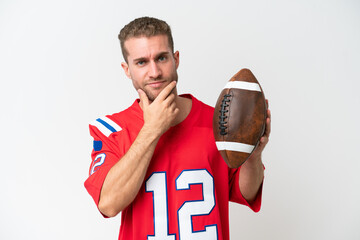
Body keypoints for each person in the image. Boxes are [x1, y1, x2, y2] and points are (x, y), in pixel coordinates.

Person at [84, 16, 271, 240]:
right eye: (141, 62)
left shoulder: (217, 122)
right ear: (127, 69)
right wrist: (152, 129)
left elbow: (245, 192)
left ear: (176, 59)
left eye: (161, 58)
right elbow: (108, 204)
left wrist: (254, 155)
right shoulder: (111, 130)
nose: (154, 72)